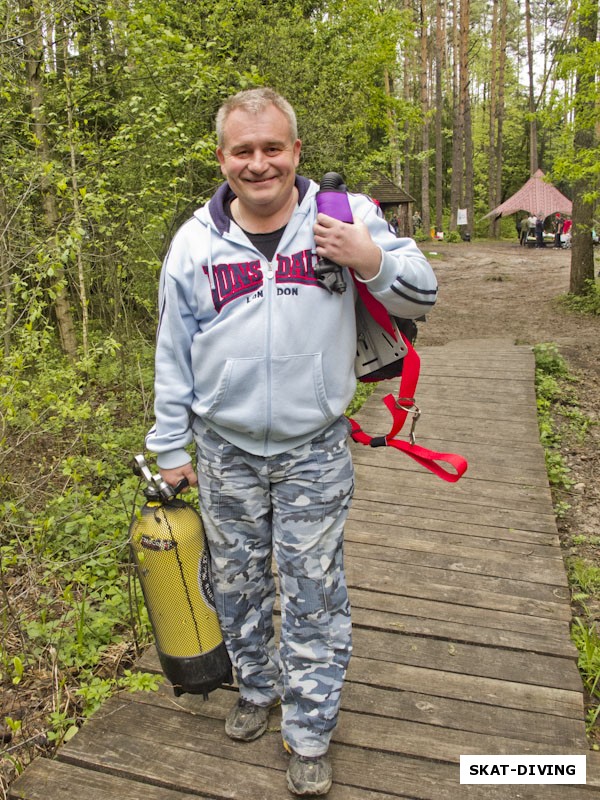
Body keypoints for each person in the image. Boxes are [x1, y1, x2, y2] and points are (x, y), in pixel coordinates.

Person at [145, 87, 437, 797]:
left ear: (296, 151)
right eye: (243, 151)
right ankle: (256, 688)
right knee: (237, 587)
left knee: (313, 592)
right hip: (222, 452)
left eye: (272, 147)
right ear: (222, 158)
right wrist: (171, 447)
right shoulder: (194, 244)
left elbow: (423, 292)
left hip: (314, 447)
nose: (259, 163)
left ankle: (308, 730)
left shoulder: (347, 216)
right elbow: (172, 353)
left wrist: (369, 257)